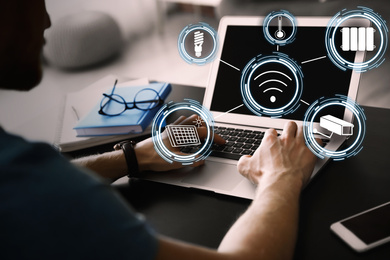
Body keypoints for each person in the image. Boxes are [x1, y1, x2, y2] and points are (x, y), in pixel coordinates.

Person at [0, 1, 318, 259]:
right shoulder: (24, 183)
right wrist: (281, 178)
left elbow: (48, 186)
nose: (46, 21)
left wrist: (133, 157)